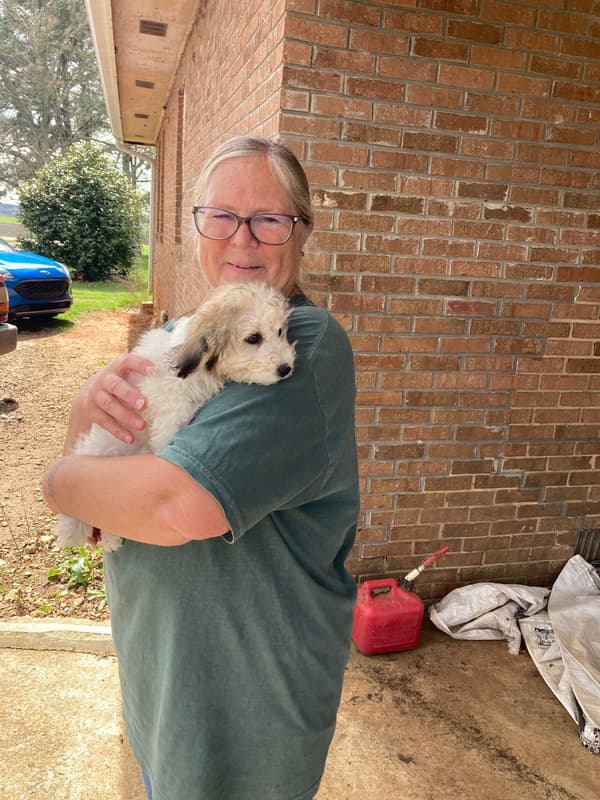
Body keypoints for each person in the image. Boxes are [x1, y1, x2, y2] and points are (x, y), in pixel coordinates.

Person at [41, 135, 359, 800]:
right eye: (220, 215)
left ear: (302, 231)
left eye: (269, 219)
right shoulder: (185, 332)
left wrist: (58, 484)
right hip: (164, 686)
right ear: (196, 227)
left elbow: (171, 507)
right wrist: (82, 416)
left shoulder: (305, 344)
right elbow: (113, 483)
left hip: (245, 717)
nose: (242, 239)